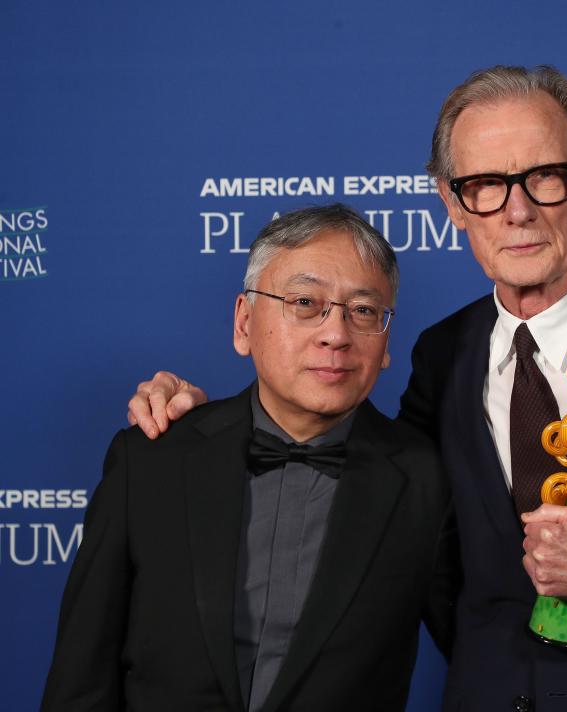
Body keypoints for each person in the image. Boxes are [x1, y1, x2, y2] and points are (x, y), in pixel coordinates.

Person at [128, 66, 567, 711]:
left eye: (546, 176)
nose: (516, 210)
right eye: (485, 184)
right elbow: (379, 496)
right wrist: (209, 429)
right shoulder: (443, 353)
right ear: (451, 202)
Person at [42, 205, 455, 712]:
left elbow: (485, 645)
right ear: (243, 323)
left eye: (364, 311)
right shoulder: (150, 460)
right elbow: (79, 681)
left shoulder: (426, 480)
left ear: (386, 341)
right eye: (305, 302)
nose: (336, 334)